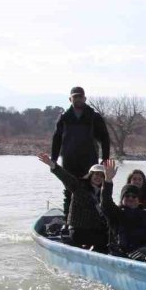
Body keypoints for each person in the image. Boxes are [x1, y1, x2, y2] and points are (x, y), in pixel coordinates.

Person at [50, 86, 111, 218]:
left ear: (85, 98)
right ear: (70, 99)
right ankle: (68, 220)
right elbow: (57, 139)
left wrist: (105, 159)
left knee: (93, 189)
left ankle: (97, 219)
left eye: (80, 97)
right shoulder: (64, 118)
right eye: (75, 97)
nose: (78, 99)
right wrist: (53, 160)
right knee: (69, 190)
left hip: (89, 160)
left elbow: (105, 138)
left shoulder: (94, 117)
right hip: (69, 160)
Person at [100, 161, 146, 265]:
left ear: (138, 200)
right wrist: (107, 180)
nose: (130, 198)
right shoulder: (116, 213)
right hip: (130, 253)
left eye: (134, 196)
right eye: (127, 196)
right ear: (122, 199)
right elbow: (105, 202)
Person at [37, 153, 109, 252]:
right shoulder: (79, 186)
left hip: (94, 231)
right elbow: (65, 177)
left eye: (101, 176)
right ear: (90, 175)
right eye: (96, 174)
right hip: (78, 231)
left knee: (108, 238)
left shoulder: (103, 193)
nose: (98, 177)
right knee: (103, 240)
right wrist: (52, 164)